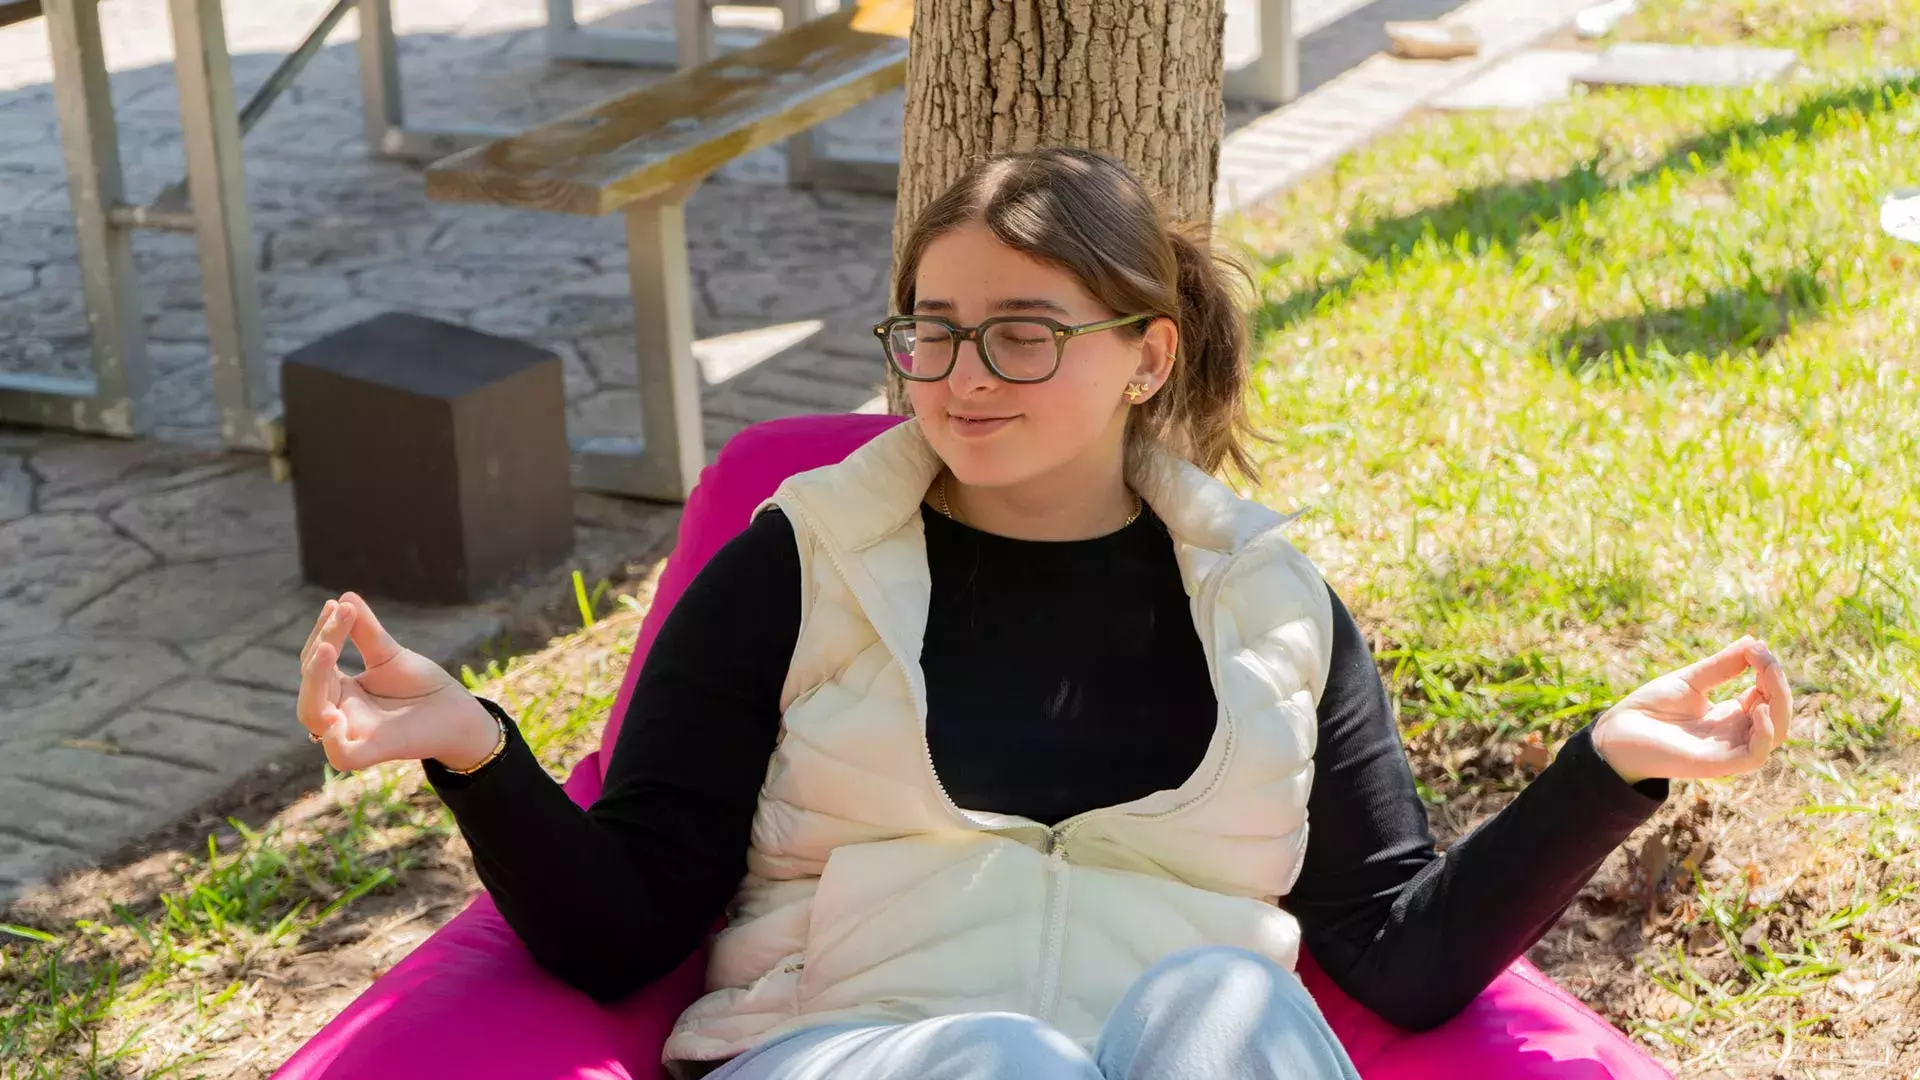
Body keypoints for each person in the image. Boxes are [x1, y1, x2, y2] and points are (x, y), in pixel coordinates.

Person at [293, 148, 1794, 1080]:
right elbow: (628, 933)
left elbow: (1391, 950)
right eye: (934, 331)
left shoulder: (1273, 605)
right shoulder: (794, 568)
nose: (960, 377)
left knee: (1226, 996)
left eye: (1023, 335)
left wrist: (1611, 769)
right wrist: (476, 749)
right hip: (843, 1057)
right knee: (1001, 1062)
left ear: (1146, 357)